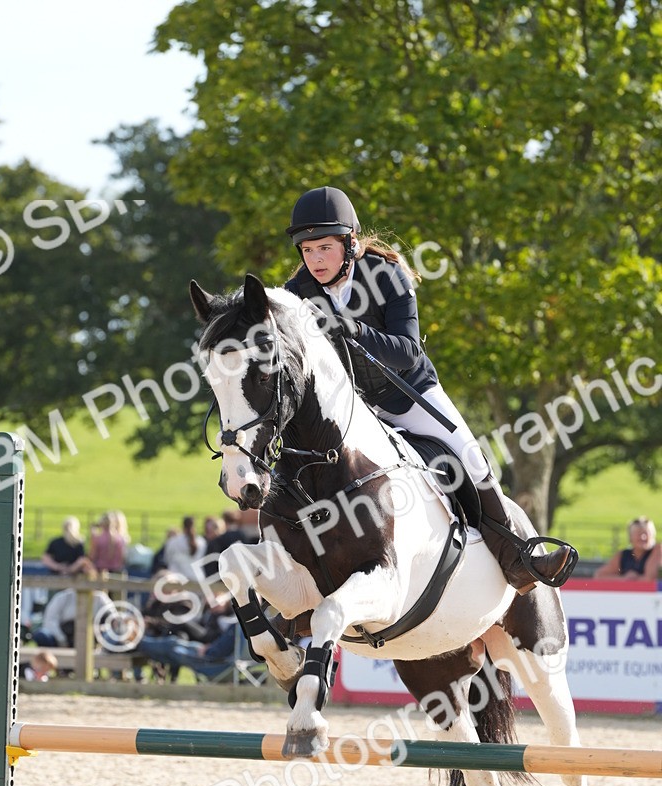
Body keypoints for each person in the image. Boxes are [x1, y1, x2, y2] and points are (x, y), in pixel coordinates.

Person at [283, 185, 573, 594]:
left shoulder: (386, 275)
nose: (315, 260)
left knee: (470, 455)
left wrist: (354, 329)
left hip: (408, 395)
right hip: (354, 410)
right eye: (308, 250)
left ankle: (517, 556)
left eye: (325, 248)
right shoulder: (298, 294)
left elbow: (406, 352)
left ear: (350, 243)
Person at [594, 517, 661, 581]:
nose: (643, 537)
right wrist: (623, 579)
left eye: (646, 533)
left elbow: (650, 579)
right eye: (638, 534)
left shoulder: (657, 550)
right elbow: (599, 576)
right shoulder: (623, 555)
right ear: (630, 537)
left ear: (653, 535)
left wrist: (633, 580)